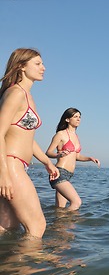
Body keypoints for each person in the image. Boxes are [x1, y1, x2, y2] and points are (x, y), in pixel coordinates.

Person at [0, 48, 59, 238]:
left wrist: (47, 162)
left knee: (8, 225)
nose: (44, 67)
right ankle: (26, 269)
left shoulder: (28, 96)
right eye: (38, 64)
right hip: (10, 165)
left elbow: (28, 138)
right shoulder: (15, 93)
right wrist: (4, 175)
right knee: (37, 226)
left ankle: (9, 268)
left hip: (16, 165)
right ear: (21, 67)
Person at [45, 108, 100, 210]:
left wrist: (90, 158)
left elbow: (77, 156)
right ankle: (69, 222)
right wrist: (58, 155)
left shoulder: (76, 136)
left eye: (79, 117)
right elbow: (48, 152)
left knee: (60, 209)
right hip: (59, 173)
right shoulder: (60, 134)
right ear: (67, 119)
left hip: (68, 175)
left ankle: (58, 225)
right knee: (76, 202)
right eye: (75, 117)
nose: (78, 119)